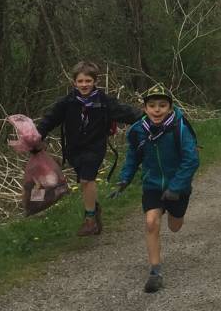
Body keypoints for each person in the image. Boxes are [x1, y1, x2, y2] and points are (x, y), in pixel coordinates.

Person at [35, 60, 142, 237]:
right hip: (74, 149)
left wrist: (150, 117)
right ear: (74, 83)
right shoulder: (67, 103)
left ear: (95, 82)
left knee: (86, 180)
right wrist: (36, 137)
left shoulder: (104, 102)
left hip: (95, 147)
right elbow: (49, 119)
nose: (84, 85)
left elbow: (126, 112)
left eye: (88, 81)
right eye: (80, 81)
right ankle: (94, 209)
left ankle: (90, 219)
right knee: (84, 182)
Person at [110, 84, 199, 293]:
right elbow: (133, 156)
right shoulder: (138, 130)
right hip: (152, 184)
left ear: (169, 107)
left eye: (162, 105)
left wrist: (176, 187)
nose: (157, 110)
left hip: (178, 186)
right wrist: (124, 179)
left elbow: (191, 160)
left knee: (175, 226)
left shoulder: (180, 128)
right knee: (151, 222)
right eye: (152, 105)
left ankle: (175, 212)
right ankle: (155, 272)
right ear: (145, 108)